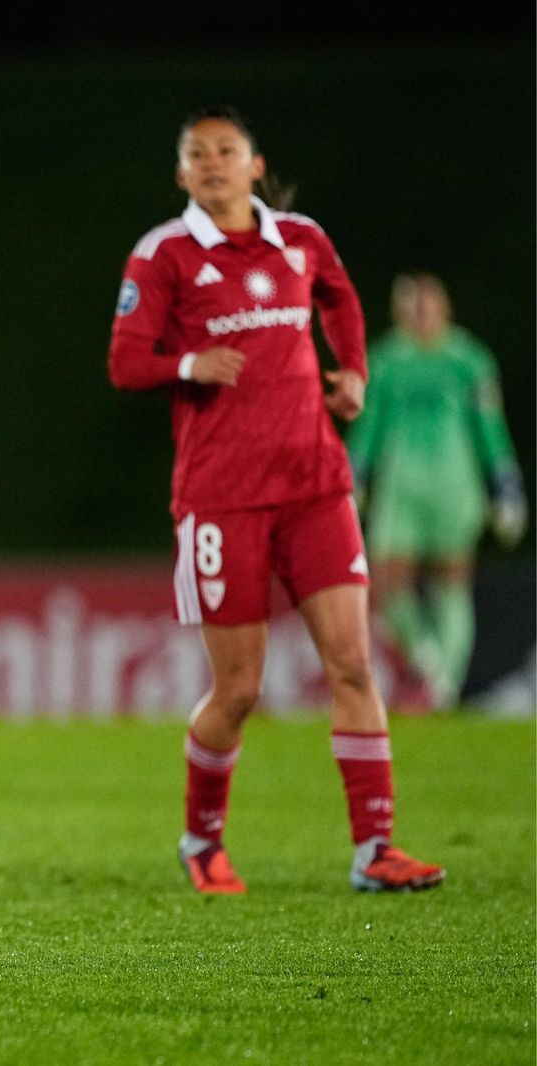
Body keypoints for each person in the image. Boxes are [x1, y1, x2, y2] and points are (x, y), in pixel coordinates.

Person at [106, 106, 445, 894]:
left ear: (256, 165)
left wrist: (353, 370)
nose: (214, 163)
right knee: (240, 690)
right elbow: (126, 363)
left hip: (316, 486)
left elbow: (342, 298)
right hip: (222, 499)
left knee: (355, 666)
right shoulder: (164, 255)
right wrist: (190, 365)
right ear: (182, 173)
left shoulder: (300, 236)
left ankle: (375, 850)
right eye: (198, 154)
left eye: (228, 151)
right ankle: (201, 840)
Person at [346, 273, 528, 706]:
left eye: (427, 305)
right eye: (411, 306)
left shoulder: (469, 359)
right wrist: (354, 477)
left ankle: (445, 682)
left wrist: (505, 484)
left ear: (445, 308)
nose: (421, 315)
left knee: (451, 580)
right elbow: (369, 427)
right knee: (387, 579)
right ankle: (426, 656)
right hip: (401, 483)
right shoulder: (386, 361)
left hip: (454, 482)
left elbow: (489, 427)